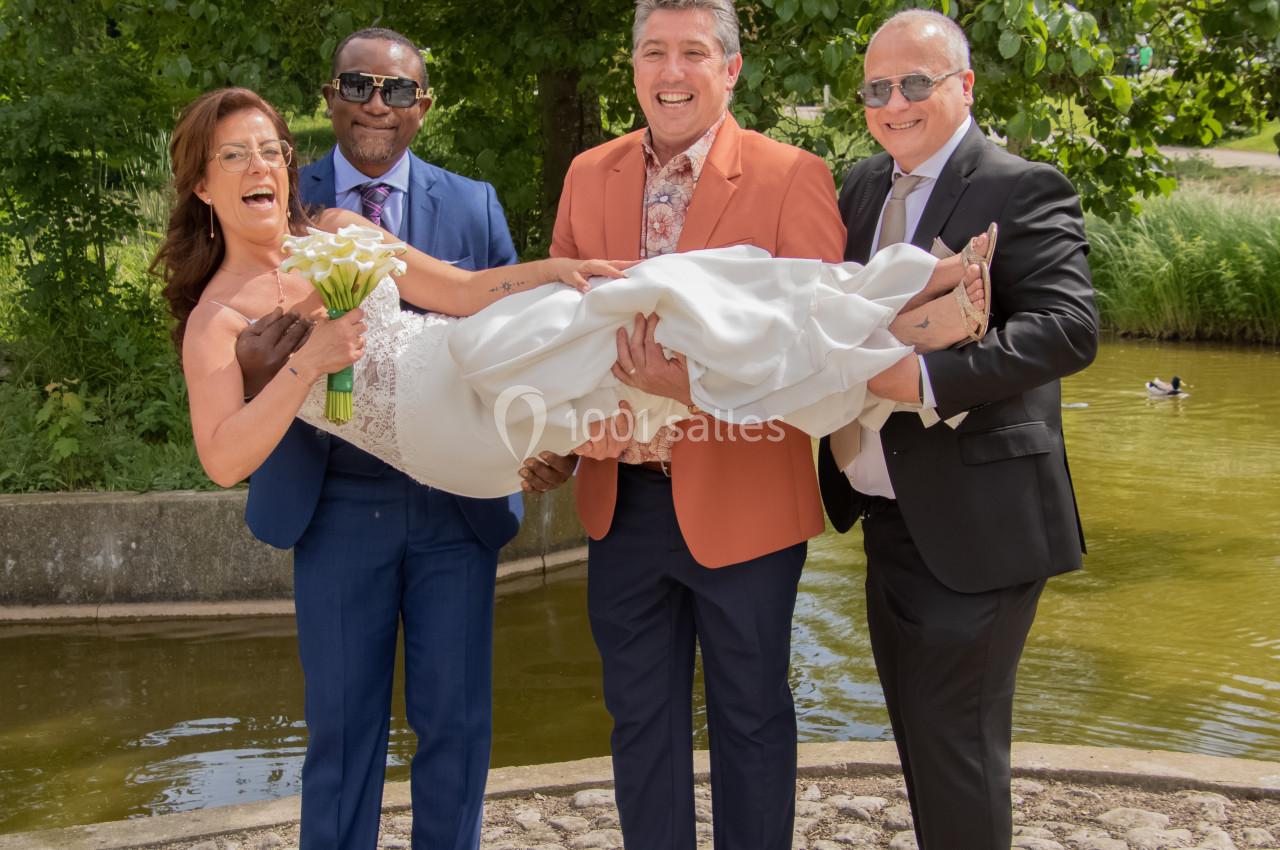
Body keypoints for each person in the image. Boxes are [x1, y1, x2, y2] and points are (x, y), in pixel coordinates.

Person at [513, 2, 976, 848]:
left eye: (693, 52)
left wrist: (692, 386)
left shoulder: (790, 174)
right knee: (638, 721)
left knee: (751, 718)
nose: (672, 71)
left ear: (730, 70)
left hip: (749, 499)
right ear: (633, 67)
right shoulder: (588, 174)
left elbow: (822, 352)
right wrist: (557, 440)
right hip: (620, 506)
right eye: (654, 51)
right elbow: (566, 336)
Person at [152, 83, 620, 850]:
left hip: (451, 493)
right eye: (233, 155)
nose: (259, 165)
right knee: (343, 733)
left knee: (456, 721)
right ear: (203, 185)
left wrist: (554, 271)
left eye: (269, 149)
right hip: (339, 518)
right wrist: (307, 364)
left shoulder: (340, 232)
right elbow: (223, 457)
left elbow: (461, 291)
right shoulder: (216, 319)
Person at [816, 10, 1098, 850]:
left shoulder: (1021, 185)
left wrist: (925, 381)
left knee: (957, 748)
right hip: (887, 517)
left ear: (965, 86)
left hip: (981, 524)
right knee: (923, 739)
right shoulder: (861, 187)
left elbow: (1067, 328)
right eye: (876, 89)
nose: (894, 103)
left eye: (915, 83)